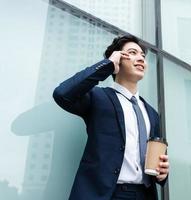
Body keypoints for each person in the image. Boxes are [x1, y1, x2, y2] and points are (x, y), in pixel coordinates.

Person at [53, 34, 169, 200]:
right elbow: (62, 94)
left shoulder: (151, 113)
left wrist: (162, 174)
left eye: (143, 55)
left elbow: (154, 161)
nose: (141, 58)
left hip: (145, 194)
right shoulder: (98, 98)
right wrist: (107, 65)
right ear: (118, 58)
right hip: (108, 194)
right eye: (132, 53)